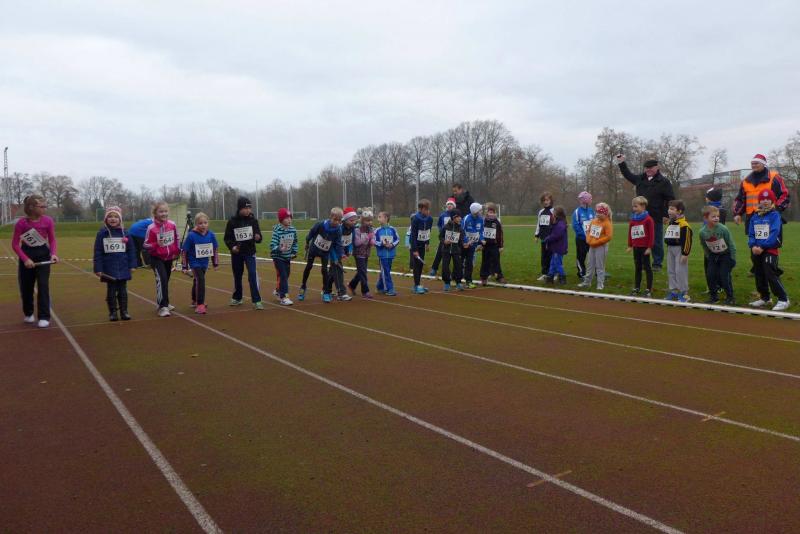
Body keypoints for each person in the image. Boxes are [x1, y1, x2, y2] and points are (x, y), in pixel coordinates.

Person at [733, 153, 791, 277]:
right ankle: (759, 268)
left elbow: (784, 194)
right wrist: (737, 213)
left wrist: (777, 208)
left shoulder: (774, 177)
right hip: (753, 218)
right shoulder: (746, 181)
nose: (754, 165)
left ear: (763, 164)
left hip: (770, 217)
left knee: (771, 244)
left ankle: (771, 269)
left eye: (756, 163)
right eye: (752, 163)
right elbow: (740, 199)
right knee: (754, 244)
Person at [616, 155, 675, 271]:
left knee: (656, 240)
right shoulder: (640, 179)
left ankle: (657, 263)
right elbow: (627, 175)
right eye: (646, 168)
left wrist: (666, 215)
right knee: (641, 240)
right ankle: (643, 262)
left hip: (656, 216)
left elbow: (670, 199)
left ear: (657, 167)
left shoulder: (664, 182)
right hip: (640, 217)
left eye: (651, 167)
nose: (648, 169)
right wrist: (621, 163)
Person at [12, 195, 58, 328]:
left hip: (43, 254)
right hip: (27, 254)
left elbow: (52, 240)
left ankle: (44, 316)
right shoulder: (21, 223)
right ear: (31, 207)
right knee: (26, 287)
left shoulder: (48, 221)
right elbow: (15, 244)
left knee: (43, 285)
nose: (45, 208)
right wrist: (25, 259)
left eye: (45, 206)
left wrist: (53, 254)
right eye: (42, 206)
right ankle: (28, 313)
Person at [748, 189, 790, 311]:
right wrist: (753, 245)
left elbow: (774, 233)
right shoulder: (755, 216)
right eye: (763, 199)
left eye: (768, 199)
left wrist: (762, 246)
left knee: (770, 273)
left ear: (772, 201)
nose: (765, 201)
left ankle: (783, 299)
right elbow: (751, 234)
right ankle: (765, 298)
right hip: (756, 250)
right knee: (759, 274)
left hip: (770, 250)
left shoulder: (775, 215)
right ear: (759, 201)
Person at [93, 206, 138, 321]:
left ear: (120, 219)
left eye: (116, 217)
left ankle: (124, 311)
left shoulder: (126, 233)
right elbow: (98, 251)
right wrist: (98, 268)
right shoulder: (102, 234)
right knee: (111, 290)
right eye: (110, 216)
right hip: (109, 267)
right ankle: (113, 312)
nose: (113, 219)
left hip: (123, 266)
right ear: (106, 219)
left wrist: (133, 264)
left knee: (123, 290)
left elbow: (131, 250)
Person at [224, 197, 263, 309]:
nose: (248, 210)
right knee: (237, 275)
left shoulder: (253, 221)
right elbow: (227, 238)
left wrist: (258, 237)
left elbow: (259, 236)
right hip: (237, 254)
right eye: (245, 208)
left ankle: (257, 300)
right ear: (240, 208)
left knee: (252, 274)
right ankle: (237, 297)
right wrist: (232, 247)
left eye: (249, 208)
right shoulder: (232, 222)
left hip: (250, 252)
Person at [143, 201, 180, 317]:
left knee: (166, 280)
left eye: (165, 211)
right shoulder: (151, 228)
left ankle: (166, 302)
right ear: (155, 213)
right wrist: (156, 244)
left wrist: (177, 251)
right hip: (156, 258)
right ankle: (162, 306)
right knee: (162, 279)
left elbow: (177, 238)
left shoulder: (172, 225)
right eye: (161, 211)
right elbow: (145, 244)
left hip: (169, 258)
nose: (164, 214)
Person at [300, 207, 343, 303]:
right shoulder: (320, 225)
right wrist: (307, 241)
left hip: (325, 251)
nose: (337, 222)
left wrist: (337, 257)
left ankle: (326, 292)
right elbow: (311, 232)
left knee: (324, 270)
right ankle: (303, 287)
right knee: (309, 266)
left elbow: (337, 244)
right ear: (330, 217)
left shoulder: (338, 230)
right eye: (335, 219)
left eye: (339, 220)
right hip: (314, 249)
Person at [180, 212, 219, 314]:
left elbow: (214, 249)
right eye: (200, 223)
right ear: (196, 224)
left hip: (204, 263)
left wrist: (215, 263)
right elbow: (184, 251)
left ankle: (194, 299)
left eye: (205, 223)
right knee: (201, 280)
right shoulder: (191, 236)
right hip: (194, 262)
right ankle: (200, 304)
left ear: (208, 223)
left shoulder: (211, 235)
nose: (203, 225)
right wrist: (184, 266)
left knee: (197, 280)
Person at [699, 206, 736, 305]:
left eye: (717, 216)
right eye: (713, 216)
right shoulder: (702, 232)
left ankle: (730, 297)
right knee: (710, 275)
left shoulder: (723, 229)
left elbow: (731, 244)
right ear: (705, 218)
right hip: (713, 256)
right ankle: (713, 297)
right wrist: (709, 256)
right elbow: (704, 245)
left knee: (724, 276)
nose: (716, 218)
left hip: (726, 255)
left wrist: (732, 258)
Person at [578, 203, 612, 291]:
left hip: (601, 247)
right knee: (590, 264)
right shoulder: (593, 221)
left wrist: (598, 242)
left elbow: (608, 236)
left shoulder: (607, 223)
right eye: (597, 212)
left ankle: (600, 284)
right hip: (592, 246)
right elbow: (589, 231)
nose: (597, 214)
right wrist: (588, 240)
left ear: (605, 213)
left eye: (600, 212)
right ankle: (587, 282)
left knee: (600, 266)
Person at [663, 200, 693, 302]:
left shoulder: (684, 225)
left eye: (672, 209)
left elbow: (687, 240)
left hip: (680, 250)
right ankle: (674, 291)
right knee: (671, 270)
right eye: (669, 208)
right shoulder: (670, 223)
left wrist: (685, 254)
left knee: (680, 271)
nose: (669, 211)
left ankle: (684, 292)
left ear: (679, 211)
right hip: (670, 249)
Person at [626, 196, 655, 297]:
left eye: (636, 206)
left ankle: (648, 289)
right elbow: (630, 233)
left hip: (645, 248)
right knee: (637, 267)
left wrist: (649, 247)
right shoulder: (633, 220)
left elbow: (651, 235)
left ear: (643, 206)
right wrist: (630, 245)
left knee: (647, 267)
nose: (634, 208)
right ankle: (637, 287)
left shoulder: (648, 220)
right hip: (636, 247)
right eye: (633, 206)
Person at [269, 207, 298, 306]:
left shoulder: (293, 230)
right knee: (283, 275)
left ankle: (278, 290)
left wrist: (294, 252)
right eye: (286, 218)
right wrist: (279, 248)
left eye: (290, 218)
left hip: (287, 257)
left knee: (287, 274)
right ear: (281, 220)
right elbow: (272, 245)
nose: (289, 220)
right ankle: (284, 297)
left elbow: (295, 242)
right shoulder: (277, 231)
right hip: (278, 257)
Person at [328, 207, 357, 301]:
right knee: (338, 270)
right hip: (334, 251)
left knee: (333, 271)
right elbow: (333, 244)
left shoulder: (352, 228)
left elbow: (351, 240)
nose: (354, 222)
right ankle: (341, 293)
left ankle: (326, 289)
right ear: (344, 220)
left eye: (355, 220)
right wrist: (338, 255)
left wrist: (350, 249)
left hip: (342, 252)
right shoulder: (338, 228)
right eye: (351, 220)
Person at [348, 210, 375, 299]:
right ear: (362, 221)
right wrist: (366, 238)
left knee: (362, 271)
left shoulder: (371, 229)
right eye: (367, 220)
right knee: (363, 272)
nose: (369, 222)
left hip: (366, 253)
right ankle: (365, 291)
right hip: (359, 253)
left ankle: (352, 285)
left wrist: (372, 241)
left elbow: (372, 239)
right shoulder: (357, 230)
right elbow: (356, 243)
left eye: (371, 220)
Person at [410, 199, 434, 294]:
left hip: (423, 245)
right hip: (415, 245)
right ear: (420, 209)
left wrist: (427, 243)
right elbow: (413, 235)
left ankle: (418, 284)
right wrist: (414, 250)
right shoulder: (415, 219)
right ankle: (416, 285)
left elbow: (428, 232)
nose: (428, 211)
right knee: (416, 265)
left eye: (428, 209)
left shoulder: (430, 219)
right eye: (425, 209)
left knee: (420, 265)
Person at [374, 211, 400, 296]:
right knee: (386, 272)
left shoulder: (392, 229)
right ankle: (389, 288)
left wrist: (392, 245)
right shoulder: (377, 231)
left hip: (391, 255)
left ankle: (379, 286)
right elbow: (374, 241)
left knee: (385, 271)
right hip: (382, 255)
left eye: (380, 217)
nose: (378, 219)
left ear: (386, 218)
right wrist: (382, 244)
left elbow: (397, 239)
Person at [429, 198, 456, 277]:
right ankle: (434, 268)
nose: (449, 206)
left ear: (454, 206)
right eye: (448, 204)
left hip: (454, 238)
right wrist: (441, 231)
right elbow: (439, 224)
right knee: (439, 253)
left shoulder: (456, 215)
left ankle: (454, 272)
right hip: (444, 238)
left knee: (453, 255)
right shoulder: (443, 215)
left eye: (451, 204)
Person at [480, 202, 505, 285]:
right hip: (485, 245)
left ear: (495, 213)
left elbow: (500, 235)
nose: (491, 214)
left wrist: (501, 246)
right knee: (485, 261)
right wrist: (480, 244)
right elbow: (480, 233)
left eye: (492, 212)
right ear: (486, 213)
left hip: (494, 245)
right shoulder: (483, 221)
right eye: (489, 212)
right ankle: (484, 277)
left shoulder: (497, 222)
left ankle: (499, 276)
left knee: (496, 261)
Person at [571, 191, 595, 280]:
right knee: (581, 256)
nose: (591, 200)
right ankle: (581, 273)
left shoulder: (591, 210)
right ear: (584, 200)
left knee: (594, 256)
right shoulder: (577, 212)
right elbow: (575, 226)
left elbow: (595, 223)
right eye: (590, 198)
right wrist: (584, 236)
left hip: (591, 239)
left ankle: (597, 272)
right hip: (581, 239)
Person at [542, 206, 568, 284]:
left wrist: (547, 239)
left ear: (556, 214)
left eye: (553, 213)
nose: (552, 214)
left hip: (558, 248)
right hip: (556, 247)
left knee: (557, 263)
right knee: (553, 263)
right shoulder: (557, 223)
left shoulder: (560, 224)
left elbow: (556, 235)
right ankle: (550, 277)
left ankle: (562, 277)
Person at [461, 202, 484, 289]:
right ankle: (455, 278)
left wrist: (481, 241)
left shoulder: (481, 219)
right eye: (480, 210)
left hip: (472, 245)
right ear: (475, 211)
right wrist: (465, 242)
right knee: (459, 262)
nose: (481, 212)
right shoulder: (466, 219)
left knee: (469, 263)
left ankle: (468, 281)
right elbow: (461, 231)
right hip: (464, 245)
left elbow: (481, 231)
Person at [440, 210, 464, 291]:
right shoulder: (446, 227)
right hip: (446, 250)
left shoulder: (460, 228)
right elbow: (440, 236)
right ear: (454, 217)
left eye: (460, 217)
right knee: (445, 267)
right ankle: (447, 283)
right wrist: (444, 241)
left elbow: (461, 240)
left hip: (456, 250)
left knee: (458, 266)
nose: (460, 218)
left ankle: (458, 282)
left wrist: (464, 244)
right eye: (458, 217)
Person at [534, 192, 555, 281]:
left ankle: (553, 273)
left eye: (547, 200)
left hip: (551, 238)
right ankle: (544, 273)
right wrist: (536, 235)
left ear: (551, 201)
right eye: (544, 200)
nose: (545, 202)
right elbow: (538, 224)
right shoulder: (541, 212)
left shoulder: (554, 211)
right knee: (544, 256)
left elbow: (556, 225)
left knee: (552, 256)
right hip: (543, 238)